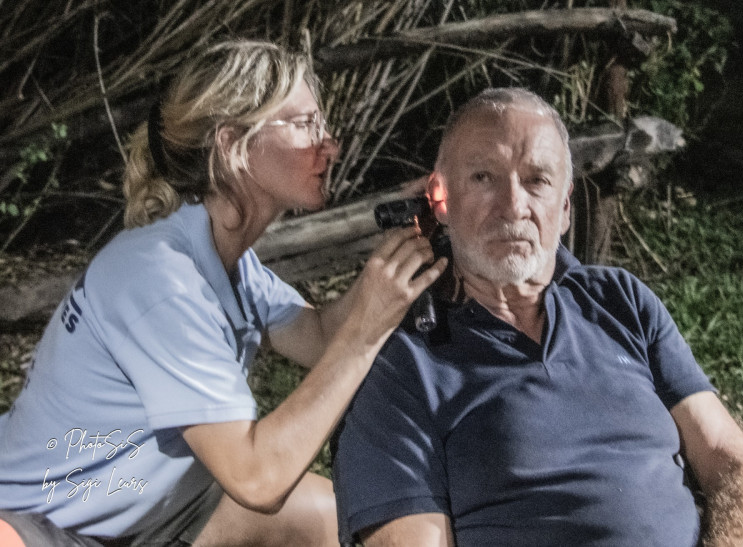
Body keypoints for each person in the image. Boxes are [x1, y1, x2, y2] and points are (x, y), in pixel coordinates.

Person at [0, 40, 447, 546]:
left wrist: (405, 245)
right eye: (305, 124)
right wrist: (366, 330)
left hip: (155, 515)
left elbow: (321, 335)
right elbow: (257, 479)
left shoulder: (227, 262)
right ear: (233, 145)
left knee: (343, 522)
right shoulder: (161, 281)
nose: (330, 145)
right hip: (44, 521)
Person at [331, 87, 743, 546]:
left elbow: (735, 463)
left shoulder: (620, 301)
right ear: (440, 200)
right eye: (484, 178)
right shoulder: (401, 362)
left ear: (565, 206)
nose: (514, 206)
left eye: (537, 181)